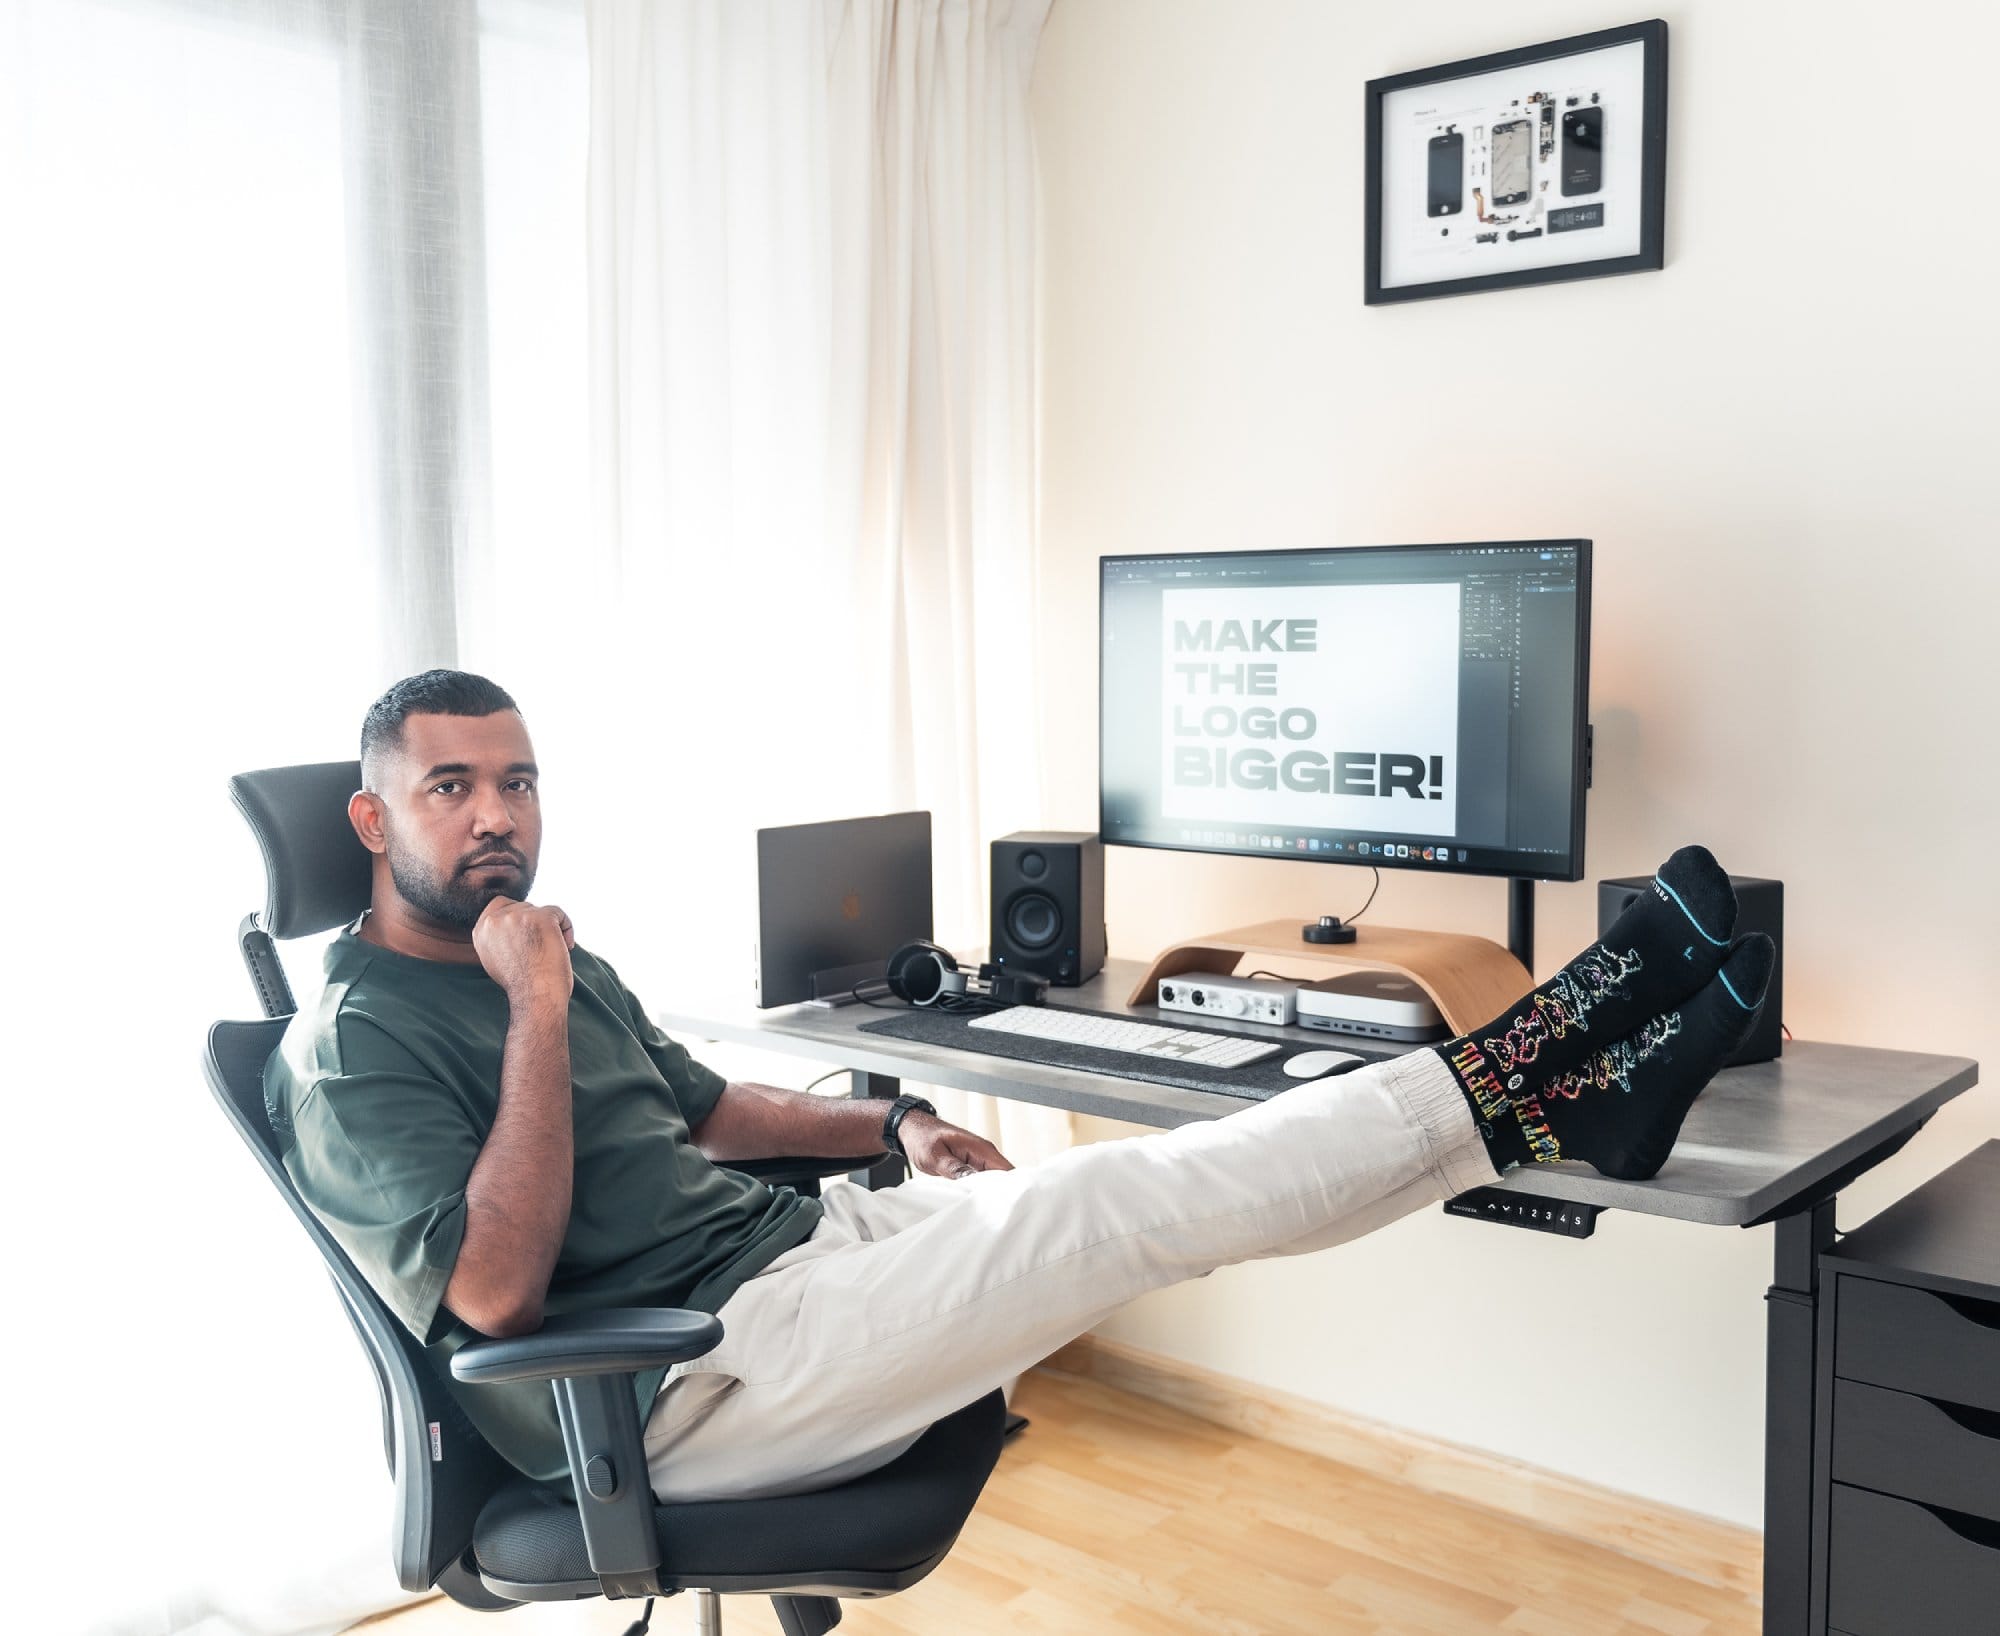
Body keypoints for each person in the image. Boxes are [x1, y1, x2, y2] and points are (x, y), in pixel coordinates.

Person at [268, 669, 1774, 1502]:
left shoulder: (546, 953)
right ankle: (1560, 1055)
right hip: (675, 1386)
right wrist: (531, 1007)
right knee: (1135, 1199)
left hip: (796, 1264)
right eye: (450, 788)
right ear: (369, 816)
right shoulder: (354, 1040)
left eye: (517, 781)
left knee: (1153, 1202)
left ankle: (1569, 1098)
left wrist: (895, 1121)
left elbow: (709, 1109)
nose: (496, 819)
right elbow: (491, 1301)